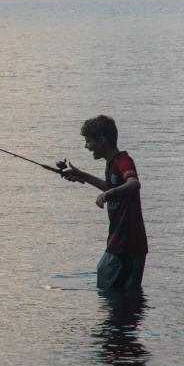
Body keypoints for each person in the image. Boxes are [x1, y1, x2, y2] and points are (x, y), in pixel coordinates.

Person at [60, 114, 147, 293]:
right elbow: (109, 187)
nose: (86, 146)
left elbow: (134, 183)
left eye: (88, 141)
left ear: (102, 140)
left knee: (115, 294)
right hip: (121, 243)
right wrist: (81, 175)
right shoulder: (111, 164)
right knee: (122, 295)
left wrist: (109, 193)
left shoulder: (123, 161)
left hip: (126, 245)